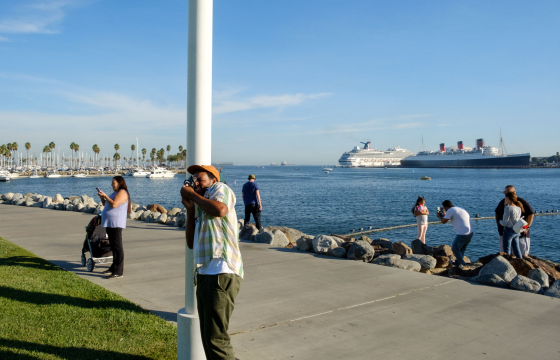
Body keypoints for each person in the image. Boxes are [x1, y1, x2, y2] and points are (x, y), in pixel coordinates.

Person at [180, 165, 243, 360]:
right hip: (206, 274)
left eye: (200, 179)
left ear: (213, 179)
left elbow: (221, 209)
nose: (196, 183)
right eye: (193, 180)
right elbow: (191, 243)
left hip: (222, 271)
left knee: (216, 337)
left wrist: (194, 196)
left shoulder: (220, 189)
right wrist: (190, 209)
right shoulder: (202, 205)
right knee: (208, 336)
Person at [97, 176, 131, 279]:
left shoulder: (122, 192)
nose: (112, 185)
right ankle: (113, 267)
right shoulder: (115, 193)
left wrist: (105, 195)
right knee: (113, 246)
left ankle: (118, 272)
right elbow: (106, 203)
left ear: (120, 183)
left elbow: (114, 204)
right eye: (112, 183)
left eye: (113, 183)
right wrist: (102, 197)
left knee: (117, 247)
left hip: (116, 223)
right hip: (110, 223)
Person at [495, 185, 534, 256]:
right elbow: (497, 213)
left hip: (517, 232)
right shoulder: (505, 203)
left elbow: (531, 214)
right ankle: (519, 261)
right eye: (505, 192)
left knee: (508, 250)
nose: (505, 194)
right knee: (516, 249)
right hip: (514, 231)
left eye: (508, 193)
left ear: (514, 192)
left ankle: (509, 264)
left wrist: (527, 227)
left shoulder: (519, 203)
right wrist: (498, 226)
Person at [437, 200, 473, 269]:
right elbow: (455, 218)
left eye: (444, 208)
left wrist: (439, 216)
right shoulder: (458, 208)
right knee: (461, 249)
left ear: (445, 207)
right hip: (470, 232)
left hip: (462, 233)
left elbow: (443, 221)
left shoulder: (450, 210)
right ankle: (457, 262)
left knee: (455, 248)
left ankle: (463, 265)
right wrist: (445, 215)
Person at [500, 192, 524, 258]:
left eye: (505, 198)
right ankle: (520, 261)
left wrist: (500, 221)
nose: (504, 200)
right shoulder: (518, 208)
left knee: (506, 249)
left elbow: (504, 223)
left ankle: (507, 265)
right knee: (516, 249)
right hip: (516, 230)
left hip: (508, 230)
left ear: (508, 198)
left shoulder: (508, 208)